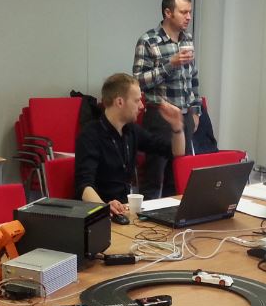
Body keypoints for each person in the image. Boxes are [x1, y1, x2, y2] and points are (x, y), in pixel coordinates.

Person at [74, 73, 185, 216]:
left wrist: (177, 126)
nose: (141, 106)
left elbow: (176, 152)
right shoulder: (90, 135)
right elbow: (84, 186)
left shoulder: (131, 130)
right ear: (120, 102)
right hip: (99, 212)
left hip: (124, 211)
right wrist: (104, 208)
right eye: (137, 100)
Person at [133, 0, 200, 199]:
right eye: (184, 12)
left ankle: (174, 216)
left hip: (184, 117)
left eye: (190, 12)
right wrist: (170, 64)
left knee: (179, 178)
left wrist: (196, 110)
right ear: (168, 13)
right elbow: (138, 81)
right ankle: (146, 218)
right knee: (154, 179)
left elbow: (193, 78)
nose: (189, 17)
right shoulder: (148, 41)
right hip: (159, 117)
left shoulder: (187, 39)